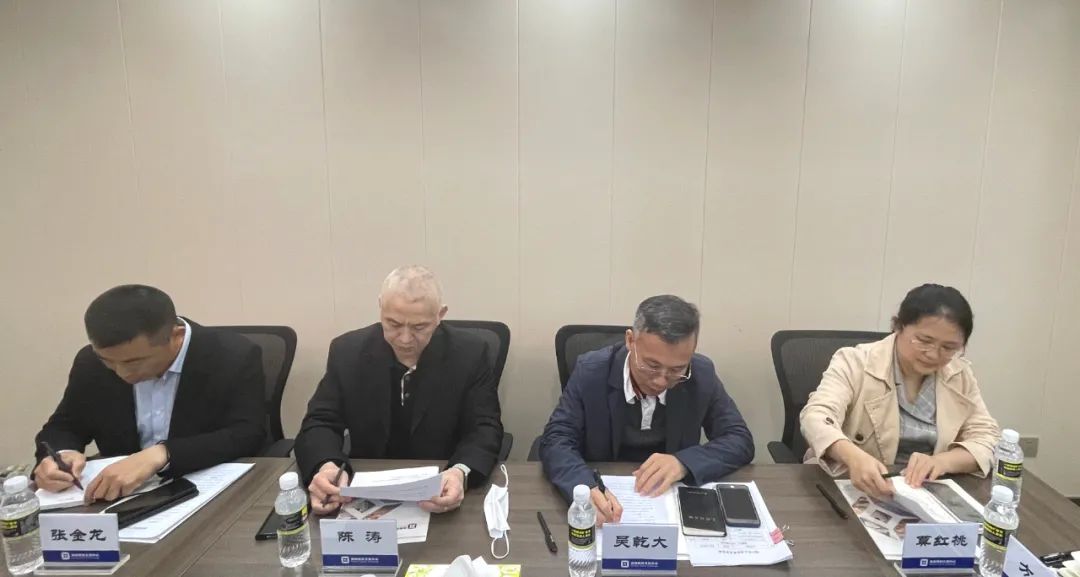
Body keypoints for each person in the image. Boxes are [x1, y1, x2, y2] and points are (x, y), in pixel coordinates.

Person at [295, 266, 503, 515]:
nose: (404, 339)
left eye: (419, 327)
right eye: (393, 324)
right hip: (365, 485)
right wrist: (326, 465)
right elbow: (320, 421)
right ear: (380, 307)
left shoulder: (470, 354)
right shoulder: (348, 352)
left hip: (440, 486)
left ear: (440, 315)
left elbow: (484, 428)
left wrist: (460, 472)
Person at [33, 285, 267, 502]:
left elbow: (246, 433)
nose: (122, 372)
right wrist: (59, 456)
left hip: (206, 487)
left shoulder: (232, 355)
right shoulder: (90, 363)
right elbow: (65, 425)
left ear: (176, 336)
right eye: (108, 361)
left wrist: (163, 454)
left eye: (134, 362)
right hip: (120, 497)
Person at [540, 295, 754, 526]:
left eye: (677, 369)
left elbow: (739, 439)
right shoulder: (591, 372)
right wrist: (583, 486)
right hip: (604, 495)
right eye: (652, 366)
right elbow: (556, 439)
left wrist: (683, 462)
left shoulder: (701, 375)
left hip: (669, 502)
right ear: (630, 341)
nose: (661, 381)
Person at [800, 283, 1000, 500]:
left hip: (924, 492)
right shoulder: (854, 362)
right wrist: (853, 457)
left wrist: (942, 462)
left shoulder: (960, 374)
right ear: (898, 326)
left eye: (949, 347)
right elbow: (816, 417)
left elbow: (986, 437)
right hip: (850, 485)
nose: (933, 354)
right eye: (924, 341)